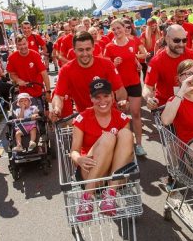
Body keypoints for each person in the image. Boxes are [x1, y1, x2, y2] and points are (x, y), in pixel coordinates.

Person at [70, 79, 134, 221]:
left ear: (112, 96)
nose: (102, 101)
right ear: (91, 99)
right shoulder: (83, 118)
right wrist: (79, 159)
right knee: (108, 137)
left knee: (126, 134)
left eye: (106, 96)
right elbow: (73, 151)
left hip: (115, 177)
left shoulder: (121, 118)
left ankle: (110, 194)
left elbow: (127, 151)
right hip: (91, 172)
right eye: (97, 97)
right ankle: (87, 197)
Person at [51, 31, 127, 119]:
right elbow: (59, 96)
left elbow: (119, 89)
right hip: (85, 119)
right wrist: (57, 108)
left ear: (93, 48)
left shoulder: (107, 64)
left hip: (109, 114)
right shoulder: (66, 70)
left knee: (125, 132)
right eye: (80, 50)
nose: (85, 54)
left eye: (88, 49)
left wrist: (122, 101)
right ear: (74, 49)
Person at [103, 19, 148, 157]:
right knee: (120, 116)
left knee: (135, 113)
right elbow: (105, 69)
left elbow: (133, 56)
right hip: (118, 86)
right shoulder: (109, 47)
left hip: (134, 82)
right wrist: (113, 63)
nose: (116, 31)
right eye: (113, 29)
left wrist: (137, 64)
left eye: (118, 28)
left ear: (125, 28)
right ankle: (120, 144)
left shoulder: (133, 42)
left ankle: (139, 144)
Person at [144, 25, 193, 108]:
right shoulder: (156, 61)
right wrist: (149, 98)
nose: (181, 44)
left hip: (190, 103)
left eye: (184, 40)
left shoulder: (192, 54)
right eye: (176, 40)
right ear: (167, 39)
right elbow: (147, 87)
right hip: (167, 106)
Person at [6, 34, 52, 104]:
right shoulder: (12, 58)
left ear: (27, 43)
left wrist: (48, 91)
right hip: (24, 94)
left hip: (38, 90)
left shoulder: (35, 55)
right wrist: (18, 80)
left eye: (24, 44)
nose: (23, 47)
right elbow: (12, 74)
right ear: (16, 45)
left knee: (43, 112)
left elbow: (44, 74)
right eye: (20, 45)